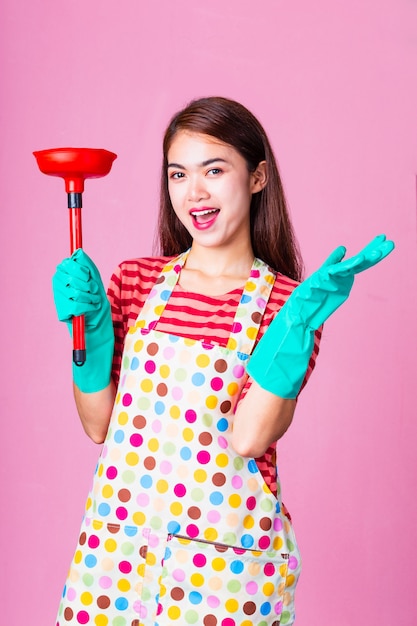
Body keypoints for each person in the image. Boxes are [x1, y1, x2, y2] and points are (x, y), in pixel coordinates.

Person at [52, 96, 394, 626]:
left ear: (257, 178)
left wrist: (296, 330)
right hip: (117, 561)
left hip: (227, 574)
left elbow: (250, 439)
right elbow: (100, 424)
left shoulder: (288, 305)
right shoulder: (136, 283)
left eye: (215, 170)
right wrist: (92, 333)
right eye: (178, 174)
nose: (195, 192)